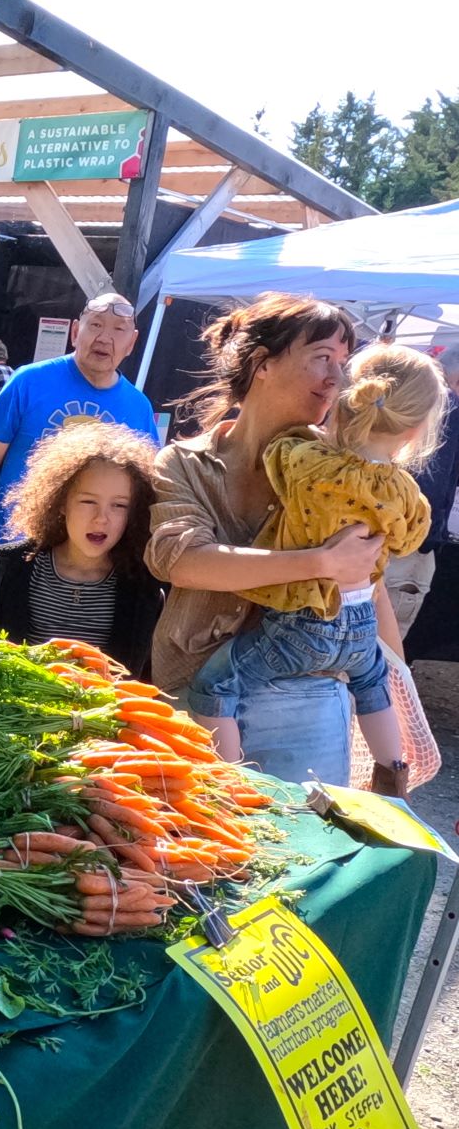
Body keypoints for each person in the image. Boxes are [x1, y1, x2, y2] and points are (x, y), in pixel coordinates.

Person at [147, 294, 391, 786]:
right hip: (189, 685)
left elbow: (370, 584)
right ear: (263, 364)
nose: (337, 379)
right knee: (196, 829)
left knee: (300, 830)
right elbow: (182, 560)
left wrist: (397, 686)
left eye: (343, 362)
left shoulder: (344, 469)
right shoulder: (183, 462)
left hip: (304, 700)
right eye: (322, 357)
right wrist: (320, 562)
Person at [185, 344, 442, 795]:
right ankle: (392, 780)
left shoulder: (309, 463)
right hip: (360, 624)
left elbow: (276, 454)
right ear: (414, 430)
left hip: (304, 623)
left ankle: (228, 782)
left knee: (214, 684)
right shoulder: (405, 490)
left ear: (346, 399)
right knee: (373, 685)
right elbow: (409, 539)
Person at [0, 292, 158, 583]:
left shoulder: (138, 407)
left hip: (98, 563)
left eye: (118, 329)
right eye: (95, 325)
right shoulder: (28, 382)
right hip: (20, 549)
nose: (104, 338)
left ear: (131, 343)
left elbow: (147, 488)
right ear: (75, 332)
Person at [0, 424, 163, 679]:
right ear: (60, 502)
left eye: (119, 505)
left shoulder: (145, 583)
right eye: (88, 501)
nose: (101, 518)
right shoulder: (14, 566)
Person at [383, 345, 459, 638]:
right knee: (384, 647)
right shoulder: (446, 404)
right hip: (405, 549)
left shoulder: (398, 397)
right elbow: (432, 484)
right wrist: (426, 540)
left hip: (379, 539)